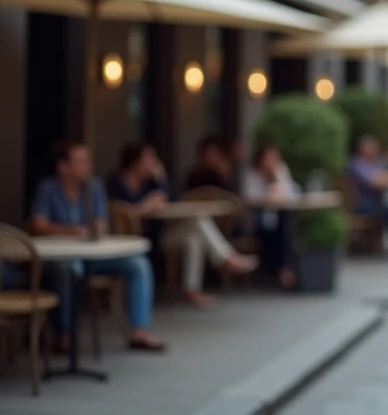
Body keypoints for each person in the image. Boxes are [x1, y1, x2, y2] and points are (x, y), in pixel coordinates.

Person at [30, 141, 166, 353]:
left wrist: (94, 229)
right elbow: (38, 225)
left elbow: (102, 223)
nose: (88, 166)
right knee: (69, 269)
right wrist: (72, 231)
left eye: (88, 161)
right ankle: (64, 334)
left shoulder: (94, 187)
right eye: (81, 161)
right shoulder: (48, 188)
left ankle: (139, 332)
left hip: (93, 257)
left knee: (138, 264)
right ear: (63, 166)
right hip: (60, 258)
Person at [108, 142, 257, 308]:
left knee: (195, 232)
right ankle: (224, 258)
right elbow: (115, 213)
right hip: (126, 239)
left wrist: (161, 178)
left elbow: (169, 200)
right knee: (196, 226)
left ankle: (196, 287)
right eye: (149, 158)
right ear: (136, 161)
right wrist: (142, 208)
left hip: (156, 238)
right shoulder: (116, 183)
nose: (153, 162)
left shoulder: (150, 183)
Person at [242, 144, 298, 288]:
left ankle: (283, 270)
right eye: (270, 158)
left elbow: (291, 194)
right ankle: (281, 271)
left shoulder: (278, 173)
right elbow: (252, 199)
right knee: (278, 231)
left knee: (284, 226)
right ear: (260, 159)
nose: (273, 162)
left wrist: (280, 176)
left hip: (273, 219)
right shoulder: (252, 176)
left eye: (276, 158)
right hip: (256, 221)